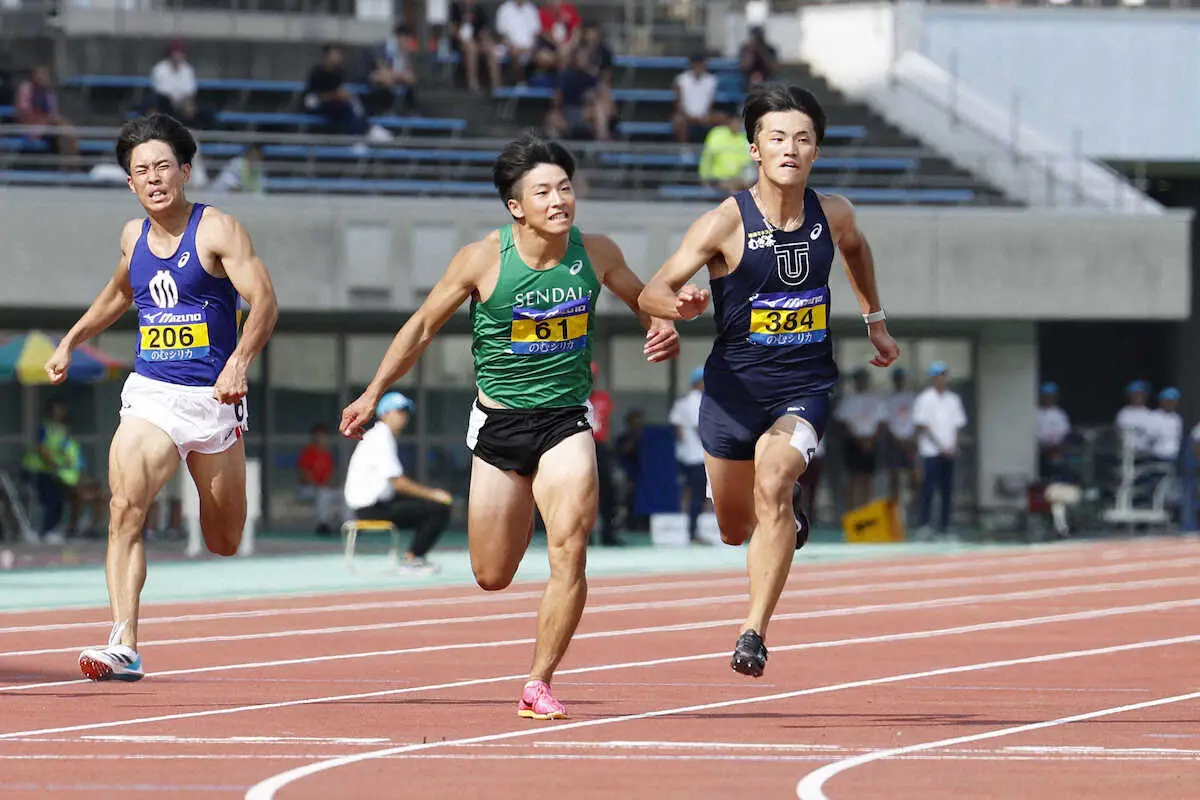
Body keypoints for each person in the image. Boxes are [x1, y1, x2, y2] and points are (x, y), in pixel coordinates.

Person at [339, 134, 679, 718]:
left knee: (570, 549)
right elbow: (421, 327)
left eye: (566, 188)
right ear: (515, 205)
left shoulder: (593, 252)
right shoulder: (481, 260)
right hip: (498, 426)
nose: (559, 200)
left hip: (567, 420)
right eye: (543, 191)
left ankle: (539, 681)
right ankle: (518, 512)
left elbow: (639, 295)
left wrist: (663, 319)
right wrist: (373, 392)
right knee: (492, 574)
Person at [638, 83, 899, 678]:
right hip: (732, 394)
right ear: (754, 148)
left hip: (803, 386)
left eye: (803, 139)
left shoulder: (833, 214)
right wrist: (672, 312)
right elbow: (655, 287)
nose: (790, 148)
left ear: (816, 152)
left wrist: (875, 321)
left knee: (775, 482)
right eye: (777, 137)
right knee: (734, 529)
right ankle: (782, 512)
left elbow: (856, 250)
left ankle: (754, 630)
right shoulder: (724, 223)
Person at [44, 113, 279, 682]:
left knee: (223, 539)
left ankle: (135, 624)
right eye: (141, 170)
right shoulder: (132, 236)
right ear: (129, 182)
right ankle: (123, 641)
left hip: (214, 402)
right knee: (125, 509)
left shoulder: (217, 229)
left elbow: (265, 302)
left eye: (163, 167)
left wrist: (238, 362)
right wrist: (71, 339)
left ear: (185, 171)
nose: (153, 178)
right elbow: (119, 293)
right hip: (152, 394)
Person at [344, 392, 452, 573]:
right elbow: (398, 483)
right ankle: (412, 559)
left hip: (376, 504)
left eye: (406, 412)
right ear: (384, 413)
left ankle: (413, 557)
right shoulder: (381, 437)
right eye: (399, 411)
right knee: (438, 508)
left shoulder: (380, 436)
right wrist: (434, 494)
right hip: (372, 509)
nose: (404, 416)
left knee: (430, 506)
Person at [912, 361, 967, 539]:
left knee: (947, 490)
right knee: (928, 489)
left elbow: (958, 424)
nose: (941, 378)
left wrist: (953, 445)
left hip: (949, 452)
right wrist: (941, 446)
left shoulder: (953, 399)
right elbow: (924, 426)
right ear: (932, 378)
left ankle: (945, 526)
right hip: (931, 452)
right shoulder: (924, 398)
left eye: (943, 374)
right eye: (937, 375)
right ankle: (924, 524)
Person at [834, 366, 885, 511]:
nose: (861, 382)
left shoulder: (875, 399)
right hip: (854, 443)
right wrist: (859, 441)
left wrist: (870, 441)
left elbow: (881, 422)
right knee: (853, 479)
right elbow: (844, 424)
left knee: (868, 479)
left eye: (863, 379)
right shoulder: (848, 399)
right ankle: (852, 514)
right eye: (858, 379)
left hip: (871, 442)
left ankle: (867, 513)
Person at [669, 366, 708, 543]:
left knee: (687, 492)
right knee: (698, 495)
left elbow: (678, 430)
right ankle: (693, 532)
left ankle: (689, 530)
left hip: (684, 455)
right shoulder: (697, 401)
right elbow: (700, 427)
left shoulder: (681, 402)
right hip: (697, 456)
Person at [587, 362, 622, 546]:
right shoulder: (573, 397)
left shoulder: (603, 398)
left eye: (593, 377)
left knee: (608, 492)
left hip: (600, 447)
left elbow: (605, 423)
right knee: (584, 493)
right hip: (581, 447)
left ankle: (609, 534)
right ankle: (586, 536)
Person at [297, 423, 339, 535]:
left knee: (344, 494)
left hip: (323, 489)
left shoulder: (327, 455)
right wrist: (320, 486)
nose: (321, 439)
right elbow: (304, 476)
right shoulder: (308, 453)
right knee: (323, 493)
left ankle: (348, 524)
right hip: (306, 489)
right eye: (319, 436)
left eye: (324, 436)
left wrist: (328, 485)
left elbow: (330, 477)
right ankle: (323, 525)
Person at [883, 367, 917, 505]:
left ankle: (913, 503)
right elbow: (885, 422)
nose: (900, 381)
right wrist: (896, 439)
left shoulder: (912, 397)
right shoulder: (888, 399)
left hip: (910, 441)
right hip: (894, 442)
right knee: (894, 476)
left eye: (902, 379)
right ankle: (895, 505)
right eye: (897, 379)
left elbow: (918, 420)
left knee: (915, 475)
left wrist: (912, 438)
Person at [1036, 382, 1070, 481]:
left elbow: (1064, 432)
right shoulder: (1034, 412)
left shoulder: (1059, 414)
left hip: (1054, 451)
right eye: (1046, 396)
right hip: (1036, 450)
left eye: (1051, 396)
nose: (1049, 399)